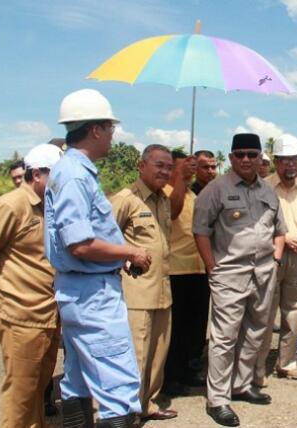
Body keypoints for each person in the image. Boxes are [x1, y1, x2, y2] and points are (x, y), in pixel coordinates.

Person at [44, 89, 152, 427]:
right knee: (118, 389)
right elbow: (79, 245)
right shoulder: (76, 175)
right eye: (109, 128)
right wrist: (131, 251)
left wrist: (116, 257)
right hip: (93, 295)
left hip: (78, 289)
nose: (112, 135)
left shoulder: (69, 170)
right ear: (94, 130)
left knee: (77, 380)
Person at [193, 133, 287, 427]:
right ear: (231, 157)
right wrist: (213, 268)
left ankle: (241, 385)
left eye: (252, 154)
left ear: (260, 158)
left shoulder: (269, 191)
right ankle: (218, 400)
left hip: (263, 273)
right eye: (240, 154)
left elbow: (280, 230)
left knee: (255, 332)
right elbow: (201, 231)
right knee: (224, 337)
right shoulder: (215, 189)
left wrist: (275, 260)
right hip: (229, 274)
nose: (246, 159)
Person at [0, 144, 62, 428]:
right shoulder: (11, 205)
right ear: (37, 174)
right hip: (20, 313)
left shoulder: (49, 205)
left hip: (47, 312)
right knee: (21, 394)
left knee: (38, 388)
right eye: (57, 175)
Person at [110, 144, 178, 421]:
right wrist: (127, 256)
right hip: (136, 293)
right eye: (159, 165)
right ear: (141, 166)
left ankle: (148, 404)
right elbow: (103, 240)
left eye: (169, 167)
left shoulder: (163, 199)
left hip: (162, 291)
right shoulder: (125, 199)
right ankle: (128, 413)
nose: (165, 171)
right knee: (136, 356)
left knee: (157, 356)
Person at [254, 134, 297, 386]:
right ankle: (257, 367)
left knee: (294, 310)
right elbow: (256, 225)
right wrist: (286, 237)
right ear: (276, 162)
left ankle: (287, 363)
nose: (290, 165)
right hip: (270, 256)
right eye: (285, 160)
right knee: (264, 311)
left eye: (294, 159)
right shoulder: (262, 188)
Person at [163, 151, 211, 395]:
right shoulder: (165, 193)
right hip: (176, 270)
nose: (188, 171)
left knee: (196, 326)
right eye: (182, 167)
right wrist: (181, 179)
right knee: (176, 329)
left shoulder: (193, 195)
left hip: (198, 268)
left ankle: (188, 370)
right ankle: (170, 377)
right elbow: (172, 212)